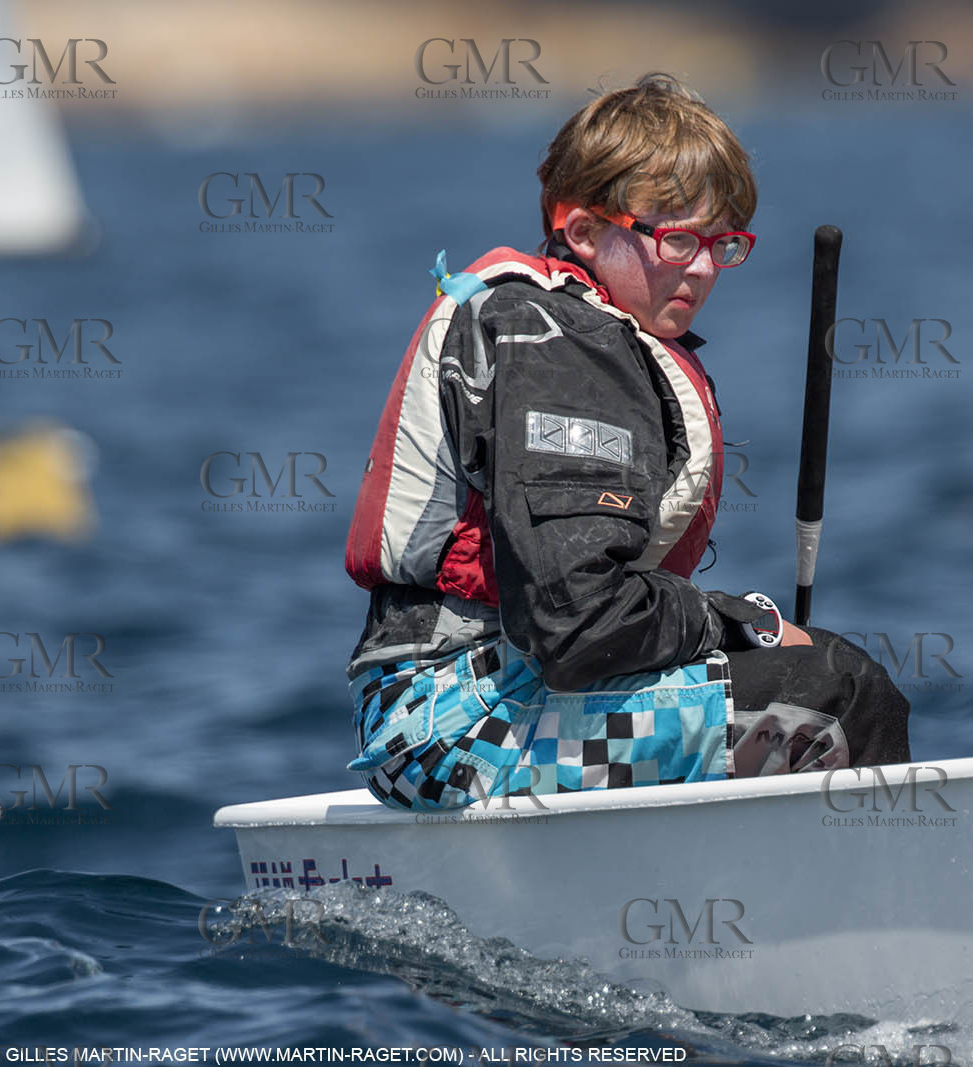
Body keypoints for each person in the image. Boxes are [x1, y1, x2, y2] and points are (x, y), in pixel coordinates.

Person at [343, 73, 911, 811]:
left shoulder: (572, 330)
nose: (704, 268)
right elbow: (576, 621)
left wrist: (737, 632)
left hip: (469, 699)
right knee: (837, 693)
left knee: (786, 680)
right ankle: (879, 919)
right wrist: (737, 622)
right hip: (457, 724)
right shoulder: (557, 345)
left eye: (722, 243)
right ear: (583, 230)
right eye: (677, 239)